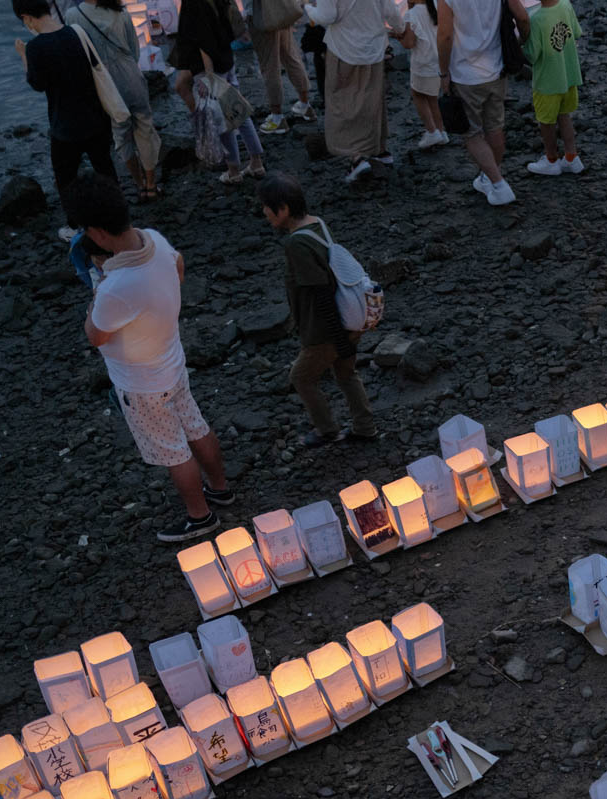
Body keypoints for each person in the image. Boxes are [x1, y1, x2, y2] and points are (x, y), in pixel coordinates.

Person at [64, 175, 235, 542]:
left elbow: (95, 335)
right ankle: (220, 489)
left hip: (142, 385)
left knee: (173, 451)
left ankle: (200, 516)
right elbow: (179, 264)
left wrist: (97, 286)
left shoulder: (116, 288)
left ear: (97, 232)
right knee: (196, 427)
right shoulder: (154, 239)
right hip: (172, 362)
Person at [258, 172, 379, 447]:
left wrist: (337, 338)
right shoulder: (318, 225)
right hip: (350, 318)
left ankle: (327, 430)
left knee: (301, 377)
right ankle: (365, 427)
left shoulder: (295, 244)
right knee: (346, 373)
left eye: (268, 206)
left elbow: (320, 292)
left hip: (325, 329)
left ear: (284, 209)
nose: (264, 212)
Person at [14, 0, 117, 208]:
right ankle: (119, 212)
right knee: (105, 168)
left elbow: (37, 84)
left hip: (65, 126)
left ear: (26, 17)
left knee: (66, 178)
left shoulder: (35, 48)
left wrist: (24, 57)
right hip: (96, 117)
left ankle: (74, 226)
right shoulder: (76, 33)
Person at [66, 0, 164, 200]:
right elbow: (134, 51)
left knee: (120, 134)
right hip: (130, 74)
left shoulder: (72, 15)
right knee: (144, 128)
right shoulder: (121, 13)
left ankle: (139, 184)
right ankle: (152, 185)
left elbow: (76, 53)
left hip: (104, 83)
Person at [440, 0, 531, 206]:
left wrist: (443, 72)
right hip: (496, 68)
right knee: (494, 127)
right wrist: (523, 42)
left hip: (465, 74)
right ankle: (488, 178)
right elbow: (523, 17)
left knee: (471, 133)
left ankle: (499, 184)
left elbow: (445, 35)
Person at [306, 0, 399, 181]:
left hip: (344, 49)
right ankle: (380, 151)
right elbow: (391, 10)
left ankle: (357, 158)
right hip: (373, 49)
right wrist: (401, 28)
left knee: (344, 102)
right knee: (372, 99)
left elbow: (326, 16)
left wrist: (307, 8)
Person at [524, 0, 585, 175]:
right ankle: (572, 157)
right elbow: (576, 33)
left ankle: (551, 159)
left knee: (546, 122)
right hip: (568, 76)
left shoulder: (535, 19)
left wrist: (520, 42)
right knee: (564, 116)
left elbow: (532, 55)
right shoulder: (566, 5)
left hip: (547, 82)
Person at [248, 0, 317, 134]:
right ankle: (305, 105)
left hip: (260, 17)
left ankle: (277, 118)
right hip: (281, 11)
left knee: (269, 66)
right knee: (291, 57)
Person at [402, 0, 449, 149]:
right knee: (433, 98)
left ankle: (431, 130)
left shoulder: (411, 15)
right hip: (437, 62)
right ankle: (441, 132)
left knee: (418, 95)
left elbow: (409, 43)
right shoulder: (436, 8)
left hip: (422, 63)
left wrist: (398, 36)